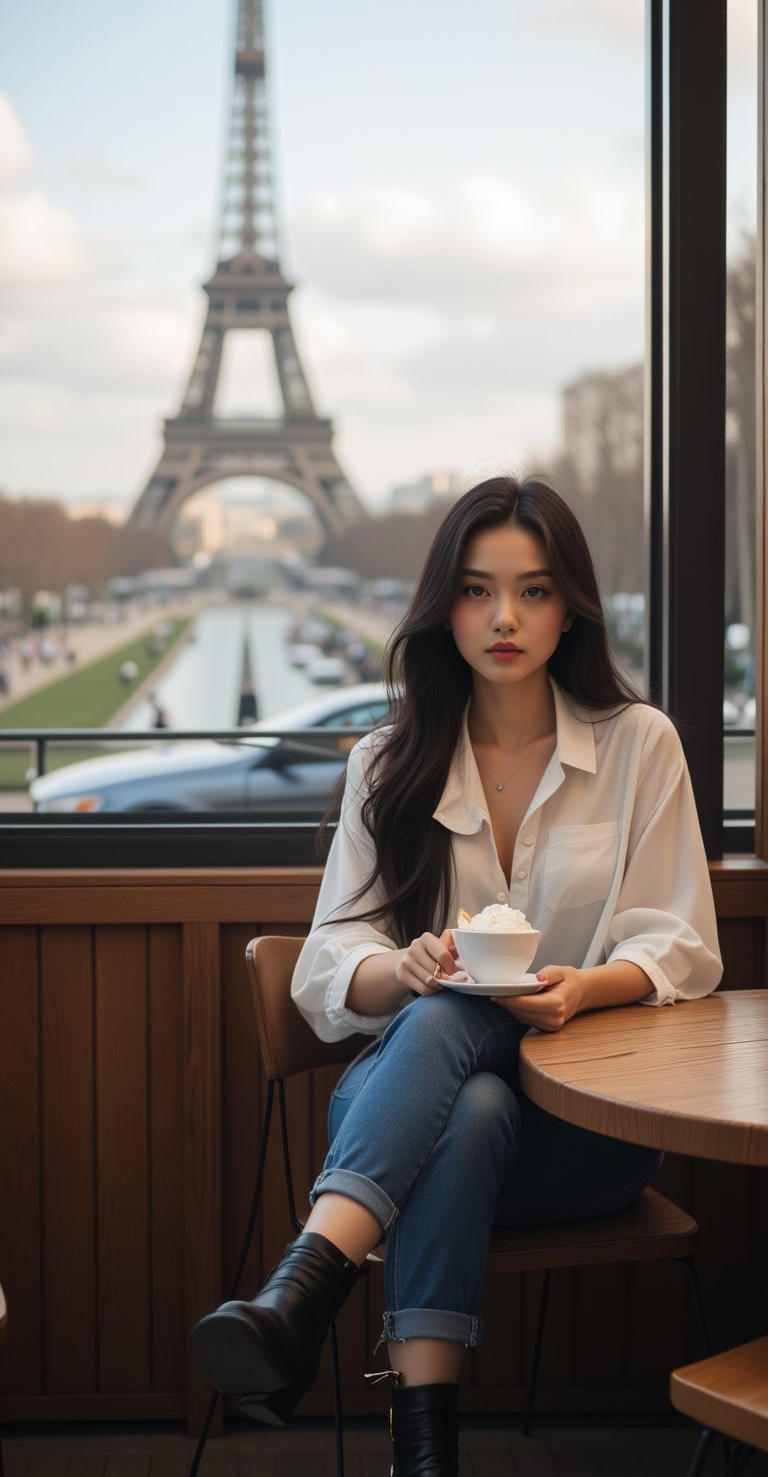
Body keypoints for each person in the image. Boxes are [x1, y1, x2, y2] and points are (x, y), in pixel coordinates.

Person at [191, 475, 722, 1474]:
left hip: (584, 1134)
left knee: (467, 1056)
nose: (505, 617)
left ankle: (303, 1289)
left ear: (571, 608)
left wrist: (578, 990)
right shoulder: (388, 761)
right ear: (445, 607)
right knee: (459, 1070)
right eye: (477, 591)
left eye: (533, 590)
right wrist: (406, 966)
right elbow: (329, 965)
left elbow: (680, 942)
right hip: (418, 1121)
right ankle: (423, 1452)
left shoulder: (639, 745)